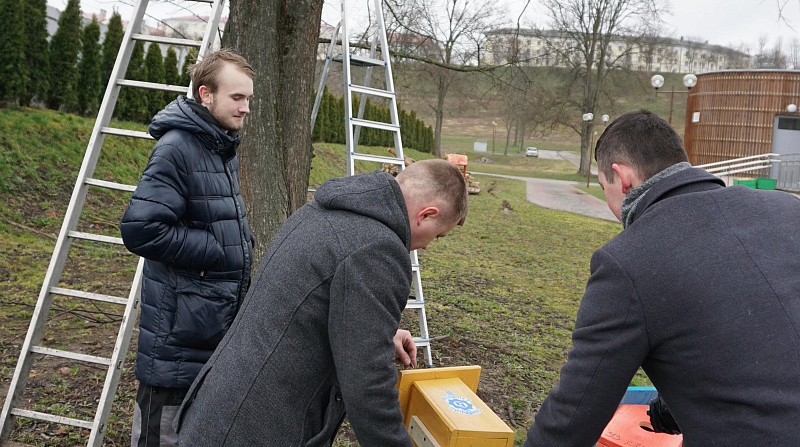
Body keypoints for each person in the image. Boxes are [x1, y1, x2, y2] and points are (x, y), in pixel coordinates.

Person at [524, 109, 800, 447]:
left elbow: (572, 416)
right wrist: (670, 410)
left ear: (621, 177)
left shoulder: (628, 261)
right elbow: (758, 327)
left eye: (603, 187)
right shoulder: (787, 210)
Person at [174, 159, 469, 446]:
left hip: (221, 407)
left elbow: (304, 304)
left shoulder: (323, 210)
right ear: (427, 214)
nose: (428, 245)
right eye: (439, 235)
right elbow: (367, 384)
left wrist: (380, 335)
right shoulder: (379, 249)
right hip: (259, 428)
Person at [120, 49, 255, 447]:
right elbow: (141, 230)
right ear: (205, 94)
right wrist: (215, 249)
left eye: (249, 99)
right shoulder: (178, 147)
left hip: (207, 325)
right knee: (161, 436)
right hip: (180, 334)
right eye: (237, 97)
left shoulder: (218, 145)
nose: (246, 108)